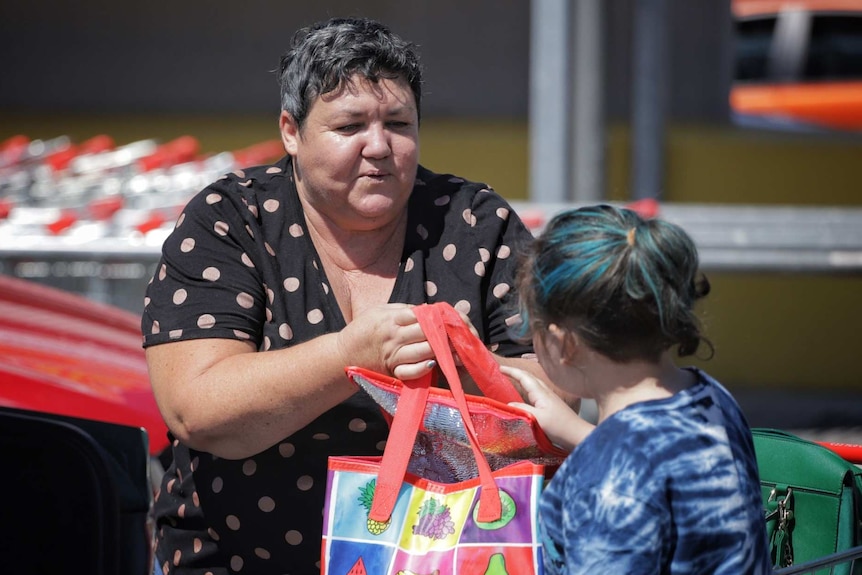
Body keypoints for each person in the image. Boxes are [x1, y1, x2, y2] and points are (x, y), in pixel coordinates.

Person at [141, 16, 557, 575]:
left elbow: (555, 393)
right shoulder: (230, 221)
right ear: (291, 131)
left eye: (399, 123)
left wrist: (465, 362)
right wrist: (350, 356)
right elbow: (197, 410)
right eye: (350, 126)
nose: (380, 147)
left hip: (444, 558)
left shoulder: (477, 223)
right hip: (239, 561)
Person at [501, 204, 772, 574]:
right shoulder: (711, 397)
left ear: (562, 343)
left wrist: (595, 457)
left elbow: (625, 482)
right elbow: (664, 466)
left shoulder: (604, 483)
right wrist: (583, 437)